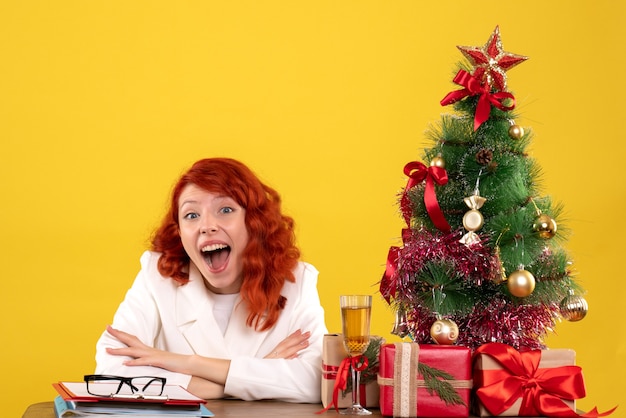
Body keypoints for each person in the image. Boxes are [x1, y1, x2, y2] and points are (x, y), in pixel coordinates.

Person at [95, 158, 327, 402]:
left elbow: (318, 382)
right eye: (192, 215)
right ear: (180, 231)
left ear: (255, 222)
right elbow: (111, 376)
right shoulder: (157, 276)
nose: (206, 226)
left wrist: (187, 363)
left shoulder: (296, 281)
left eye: (225, 210)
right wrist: (243, 382)